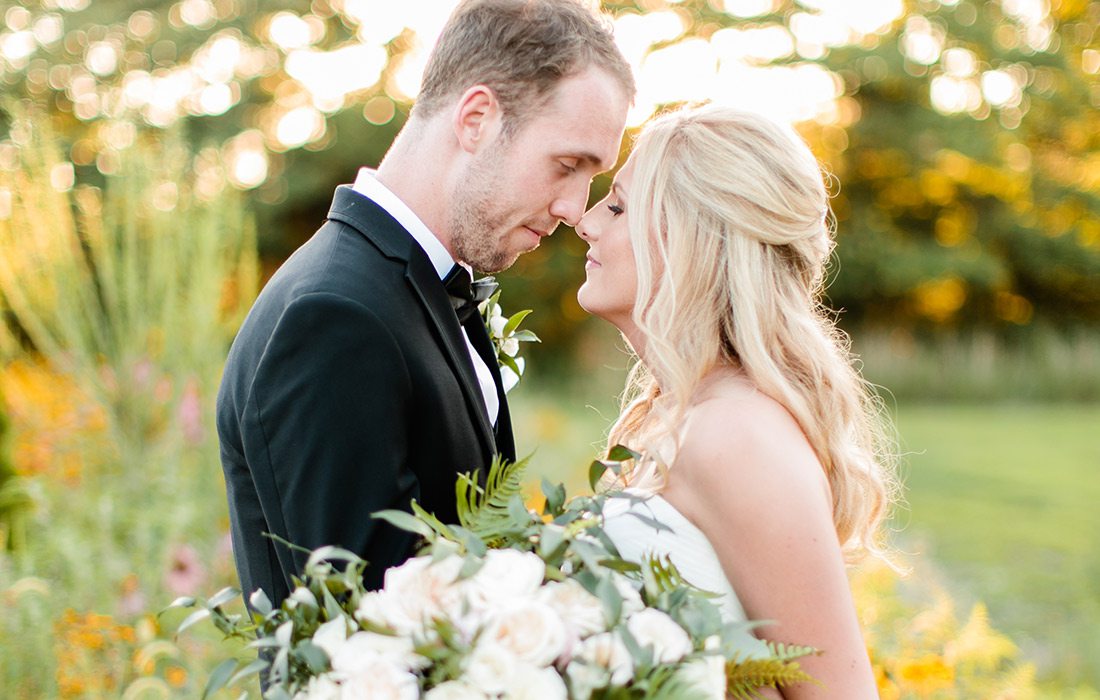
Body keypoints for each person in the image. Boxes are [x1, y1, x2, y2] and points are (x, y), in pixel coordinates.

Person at [216, 0, 634, 608]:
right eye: (567, 166)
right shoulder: (336, 318)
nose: (575, 208)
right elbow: (361, 631)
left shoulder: (412, 289)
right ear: (477, 119)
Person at [576, 105, 899, 698]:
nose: (586, 222)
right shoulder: (680, 414)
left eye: (618, 206)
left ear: (695, 238)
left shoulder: (738, 436)